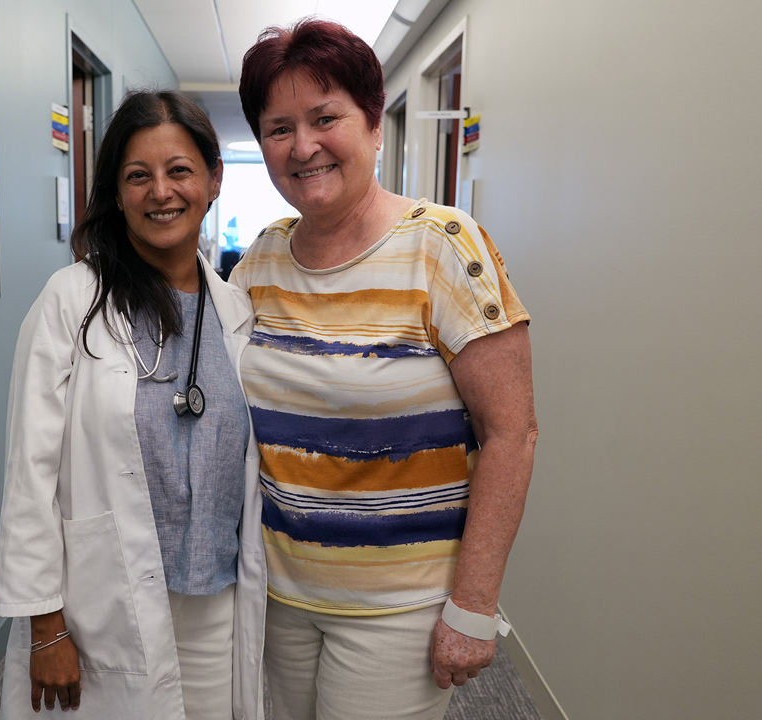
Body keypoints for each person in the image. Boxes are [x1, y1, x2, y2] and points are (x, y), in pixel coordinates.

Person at [229, 19, 538, 720]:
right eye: (279, 128)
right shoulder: (263, 258)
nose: (302, 146)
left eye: (324, 118)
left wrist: (474, 604)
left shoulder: (443, 247)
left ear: (373, 124)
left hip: (400, 608)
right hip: (279, 593)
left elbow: (512, 432)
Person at [0, 91, 265, 720]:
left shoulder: (237, 313)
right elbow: (28, 474)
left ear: (213, 180)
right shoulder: (71, 301)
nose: (160, 192)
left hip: (215, 610)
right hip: (99, 609)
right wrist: (46, 627)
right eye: (137, 176)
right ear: (117, 194)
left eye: (179, 171)